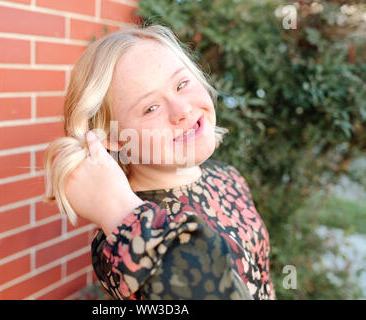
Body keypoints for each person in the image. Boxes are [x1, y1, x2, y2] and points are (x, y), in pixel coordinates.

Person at [43, 23, 276, 300]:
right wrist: (121, 215)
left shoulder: (225, 175)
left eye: (182, 84)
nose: (183, 109)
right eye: (150, 108)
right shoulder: (121, 240)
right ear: (113, 139)